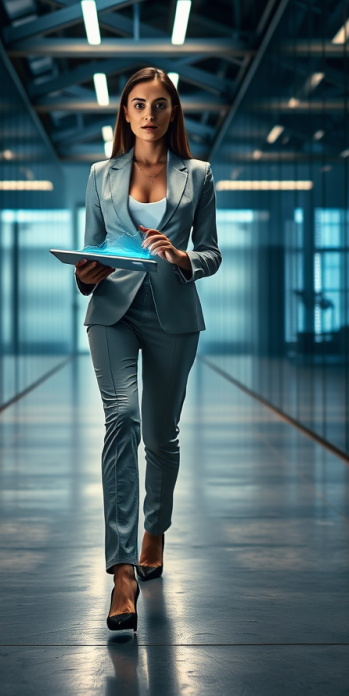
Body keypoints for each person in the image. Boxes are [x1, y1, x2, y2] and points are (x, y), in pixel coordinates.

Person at [74, 68, 221, 631]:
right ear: (126, 113)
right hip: (112, 310)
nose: (149, 114)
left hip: (173, 315)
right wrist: (85, 274)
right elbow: (91, 251)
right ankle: (121, 571)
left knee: (161, 435)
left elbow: (210, 251)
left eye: (160, 105)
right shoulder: (100, 174)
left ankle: (154, 530)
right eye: (139, 104)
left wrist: (185, 260)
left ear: (172, 112)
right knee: (123, 418)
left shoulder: (199, 175)